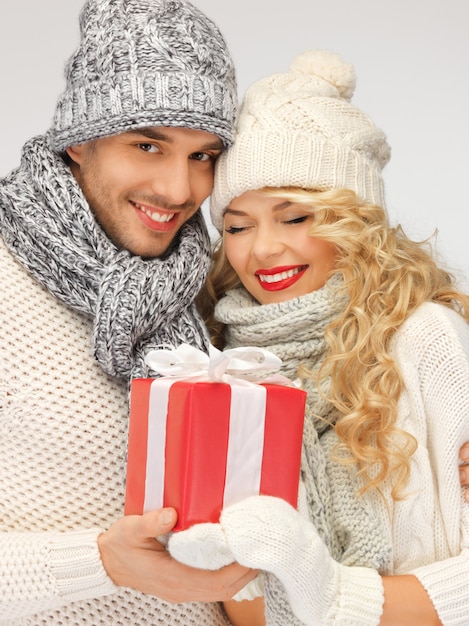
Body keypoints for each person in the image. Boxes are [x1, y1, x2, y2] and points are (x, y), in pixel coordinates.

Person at [168, 49, 469, 625]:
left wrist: (332, 601)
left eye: (296, 216)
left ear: (352, 219)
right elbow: (236, 596)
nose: (261, 249)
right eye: (236, 225)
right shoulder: (224, 366)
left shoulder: (424, 339)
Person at [0, 0, 259, 623]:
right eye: (148, 144)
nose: (179, 191)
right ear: (78, 143)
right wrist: (104, 561)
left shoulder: (208, 283)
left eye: (203, 156)